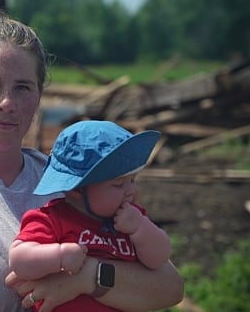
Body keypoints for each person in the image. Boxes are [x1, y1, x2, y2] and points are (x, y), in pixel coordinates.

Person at [0, 5, 183, 312]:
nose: (7, 102)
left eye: (23, 87)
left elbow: (168, 287)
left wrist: (88, 276)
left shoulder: (75, 180)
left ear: (39, 96)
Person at [9, 120, 172, 311]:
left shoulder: (133, 219)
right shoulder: (52, 219)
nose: (131, 190)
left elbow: (159, 259)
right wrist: (59, 256)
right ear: (77, 190)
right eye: (119, 184)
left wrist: (141, 228)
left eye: (133, 180)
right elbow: (19, 260)